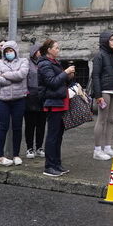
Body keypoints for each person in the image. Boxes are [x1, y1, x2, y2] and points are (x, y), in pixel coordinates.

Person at [38, 38, 76, 176]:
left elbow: (60, 80)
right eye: (56, 48)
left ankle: (57, 163)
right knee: (53, 135)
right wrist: (65, 72)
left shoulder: (55, 63)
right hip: (52, 102)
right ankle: (49, 166)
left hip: (60, 101)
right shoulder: (44, 64)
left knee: (59, 135)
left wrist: (69, 76)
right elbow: (52, 82)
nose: (58, 50)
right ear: (49, 50)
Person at [90, 30, 113, 160]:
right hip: (105, 91)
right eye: (111, 40)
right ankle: (97, 150)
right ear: (105, 41)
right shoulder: (99, 56)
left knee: (111, 119)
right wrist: (98, 95)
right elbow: (95, 76)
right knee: (102, 119)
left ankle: (107, 147)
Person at [0, 40, 29, 166]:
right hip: (3, 99)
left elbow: (21, 74)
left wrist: (6, 75)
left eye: (10, 50)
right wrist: (9, 81)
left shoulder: (23, 61)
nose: (8, 53)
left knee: (17, 127)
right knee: (3, 127)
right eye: (6, 51)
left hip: (19, 99)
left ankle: (16, 155)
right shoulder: (0, 63)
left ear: (15, 51)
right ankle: (0, 156)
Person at [23, 42, 45, 159]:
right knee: (30, 124)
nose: (41, 53)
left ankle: (39, 147)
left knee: (41, 124)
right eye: (39, 51)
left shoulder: (44, 63)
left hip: (41, 96)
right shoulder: (27, 63)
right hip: (30, 96)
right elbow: (24, 78)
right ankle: (29, 147)